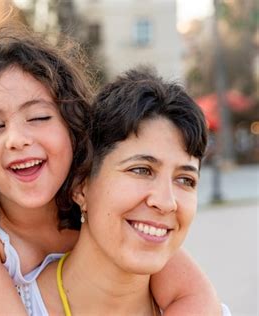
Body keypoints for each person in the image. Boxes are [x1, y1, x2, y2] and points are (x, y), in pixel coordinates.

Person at [0, 25, 220, 315]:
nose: (17, 139)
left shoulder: (101, 205)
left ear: (73, 129)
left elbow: (196, 297)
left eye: (39, 118)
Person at [32, 67, 230, 315]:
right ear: (81, 186)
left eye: (185, 180)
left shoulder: (207, 310)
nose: (166, 202)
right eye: (141, 170)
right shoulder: (6, 303)